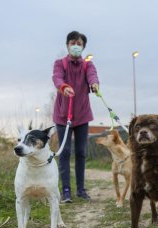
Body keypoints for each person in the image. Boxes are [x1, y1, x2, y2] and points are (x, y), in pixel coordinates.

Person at [52, 31, 100, 202]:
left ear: (83, 47)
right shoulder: (60, 64)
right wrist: (63, 86)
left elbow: (92, 76)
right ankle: (66, 190)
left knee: (80, 152)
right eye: (73, 42)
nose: (76, 46)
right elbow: (56, 78)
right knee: (64, 152)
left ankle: (81, 189)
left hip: (82, 115)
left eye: (79, 44)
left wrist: (94, 84)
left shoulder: (88, 65)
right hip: (63, 116)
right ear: (67, 45)